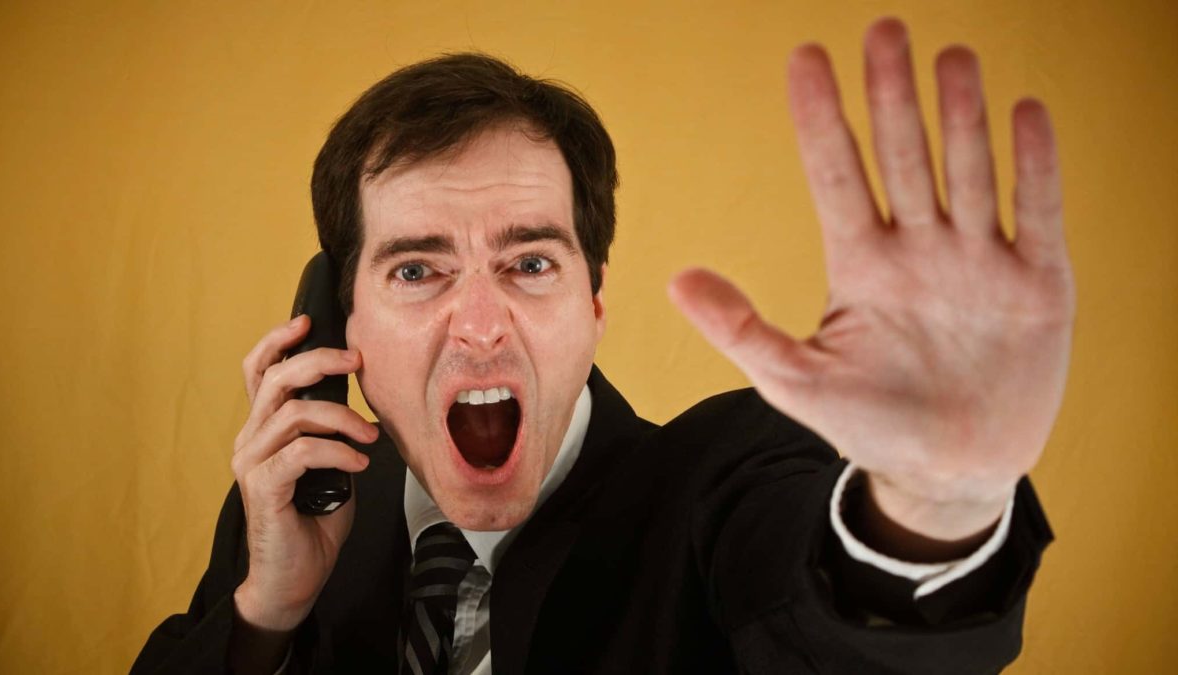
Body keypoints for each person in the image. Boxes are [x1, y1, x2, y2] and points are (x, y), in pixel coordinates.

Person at [132, 17, 1070, 674]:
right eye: (416, 270)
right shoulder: (298, 502)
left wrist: (934, 505)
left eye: (531, 263)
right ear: (344, 324)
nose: (482, 322)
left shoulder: (721, 485)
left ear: (594, 302)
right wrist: (265, 614)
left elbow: (843, 636)